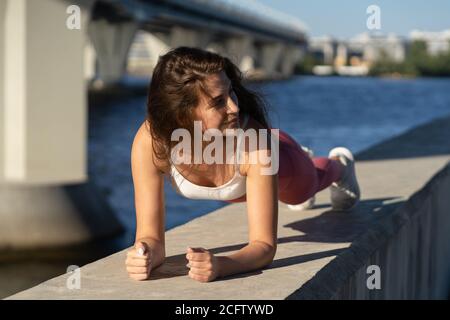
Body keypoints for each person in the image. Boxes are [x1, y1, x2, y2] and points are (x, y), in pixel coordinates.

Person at [125, 47, 360, 283]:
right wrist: (144, 254)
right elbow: (150, 236)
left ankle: (339, 164)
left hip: (279, 160)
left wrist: (221, 265)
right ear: (181, 114)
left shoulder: (255, 143)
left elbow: (265, 246)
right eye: (218, 102)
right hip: (239, 183)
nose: (234, 107)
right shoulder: (152, 143)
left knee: (304, 190)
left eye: (231, 93)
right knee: (253, 192)